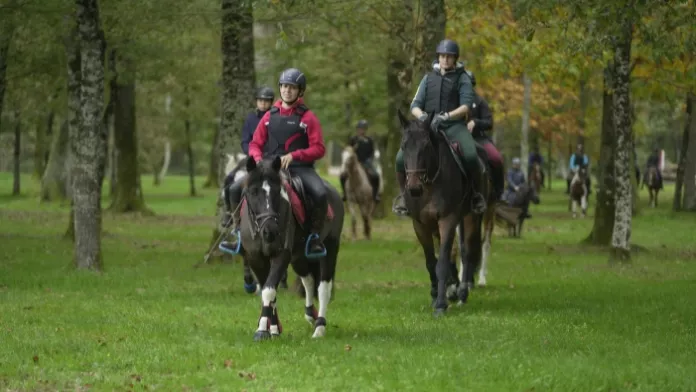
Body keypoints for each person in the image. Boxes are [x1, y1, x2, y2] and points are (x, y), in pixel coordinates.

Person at [220, 68, 328, 257]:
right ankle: (237, 234)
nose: (287, 90)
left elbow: (319, 148)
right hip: (269, 167)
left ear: (300, 91)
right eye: (284, 86)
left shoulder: (308, 117)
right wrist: (259, 159)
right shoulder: (269, 116)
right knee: (235, 189)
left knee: (320, 193)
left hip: (300, 168)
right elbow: (255, 143)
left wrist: (295, 155)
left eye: (292, 87)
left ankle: (314, 238)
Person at [392, 38, 484, 216]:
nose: (445, 60)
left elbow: (466, 106)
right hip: (427, 127)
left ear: (455, 58)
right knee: (399, 159)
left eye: (449, 57)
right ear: (438, 57)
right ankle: (404, 196)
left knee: (471, 155)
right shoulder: (428, 78)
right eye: (442, 56)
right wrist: (423, 116)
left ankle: (475, 195)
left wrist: (447, 116)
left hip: (454, 126)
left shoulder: (462, 78)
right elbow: (415, 105)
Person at [465, 71, 504, 200]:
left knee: (497, 158)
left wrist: (476, 122)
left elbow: (489, 122)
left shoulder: (480, 101)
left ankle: (498, 192)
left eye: (468, 84)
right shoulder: (454, 101)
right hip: (459, 138)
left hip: (479, 138)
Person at [340, 119, 381, 202]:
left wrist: (369, 160)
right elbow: (348, 150)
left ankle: (375, 195)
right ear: (357, 129)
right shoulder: (353, 139)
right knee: (343, 176)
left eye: (363, 129)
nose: (361, 130)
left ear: (365, 130)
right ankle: (345, 194)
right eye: (359, 129)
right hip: (354, 162)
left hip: (366, 162)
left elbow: (372, 152)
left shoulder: (369, 140)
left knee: (375, 176)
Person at [241, 86, 275, 155]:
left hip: (272, 156)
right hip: (253, 155)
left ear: (271, 102)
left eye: (266, 100)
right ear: (256, 101)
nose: (263, 103)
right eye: (260, 100)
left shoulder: (276, 117)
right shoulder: (250, 118)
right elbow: (245, 142)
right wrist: (252, 152)